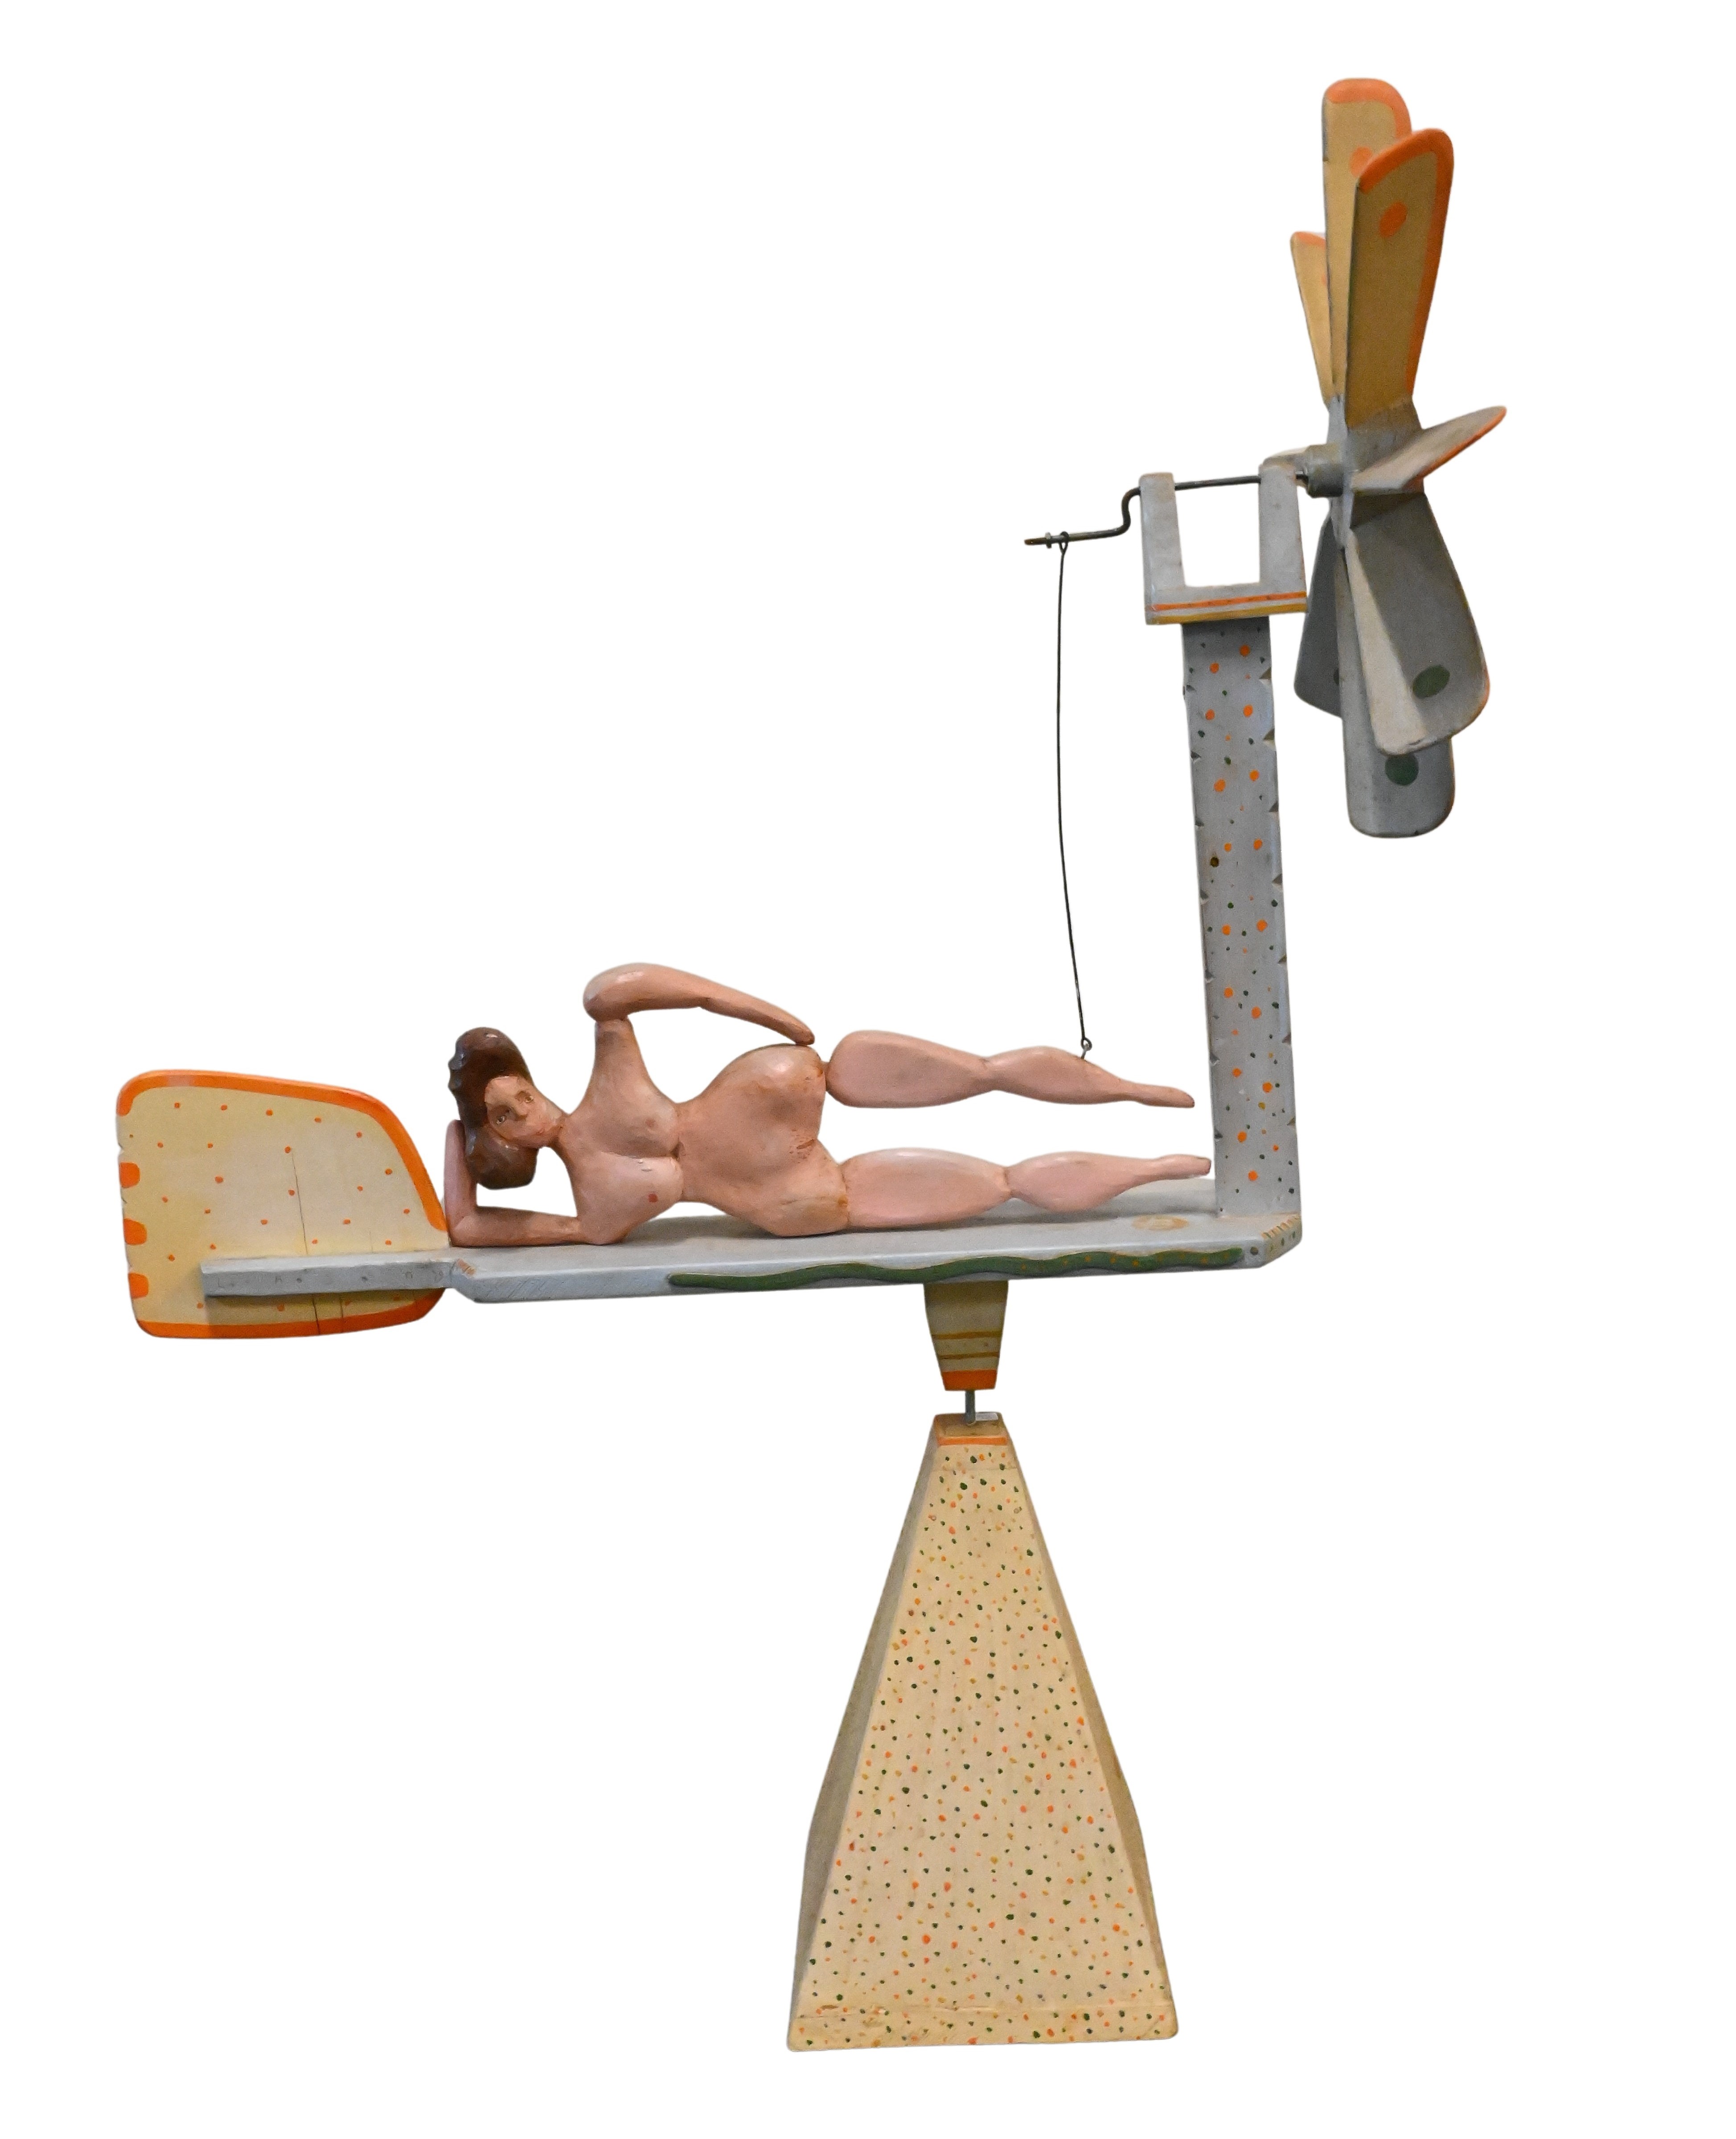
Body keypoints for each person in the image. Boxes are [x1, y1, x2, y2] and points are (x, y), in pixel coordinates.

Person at [443, 962, 1208, 1247]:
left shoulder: (606, 1076)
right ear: (503, 1144)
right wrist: (456, 1137)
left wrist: (769, 1016)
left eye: (519, 1092)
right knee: (1002, 1184)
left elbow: (618, 991)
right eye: (505, 1117)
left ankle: (1131, 1090)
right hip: (780, 1194)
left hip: (766, 1093)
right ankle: (1154, 1168)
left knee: (984, 1071)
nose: (526, 1108)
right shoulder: (592, 1209)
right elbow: (470, 1228)